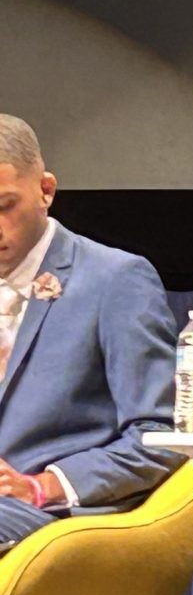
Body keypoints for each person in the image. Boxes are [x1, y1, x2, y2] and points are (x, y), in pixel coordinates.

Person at [0, 114, 180, 545]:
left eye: (4, 206)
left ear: (46, 190)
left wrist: (44, 485)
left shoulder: (115, 280)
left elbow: (160, 435)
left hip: (48, 515)